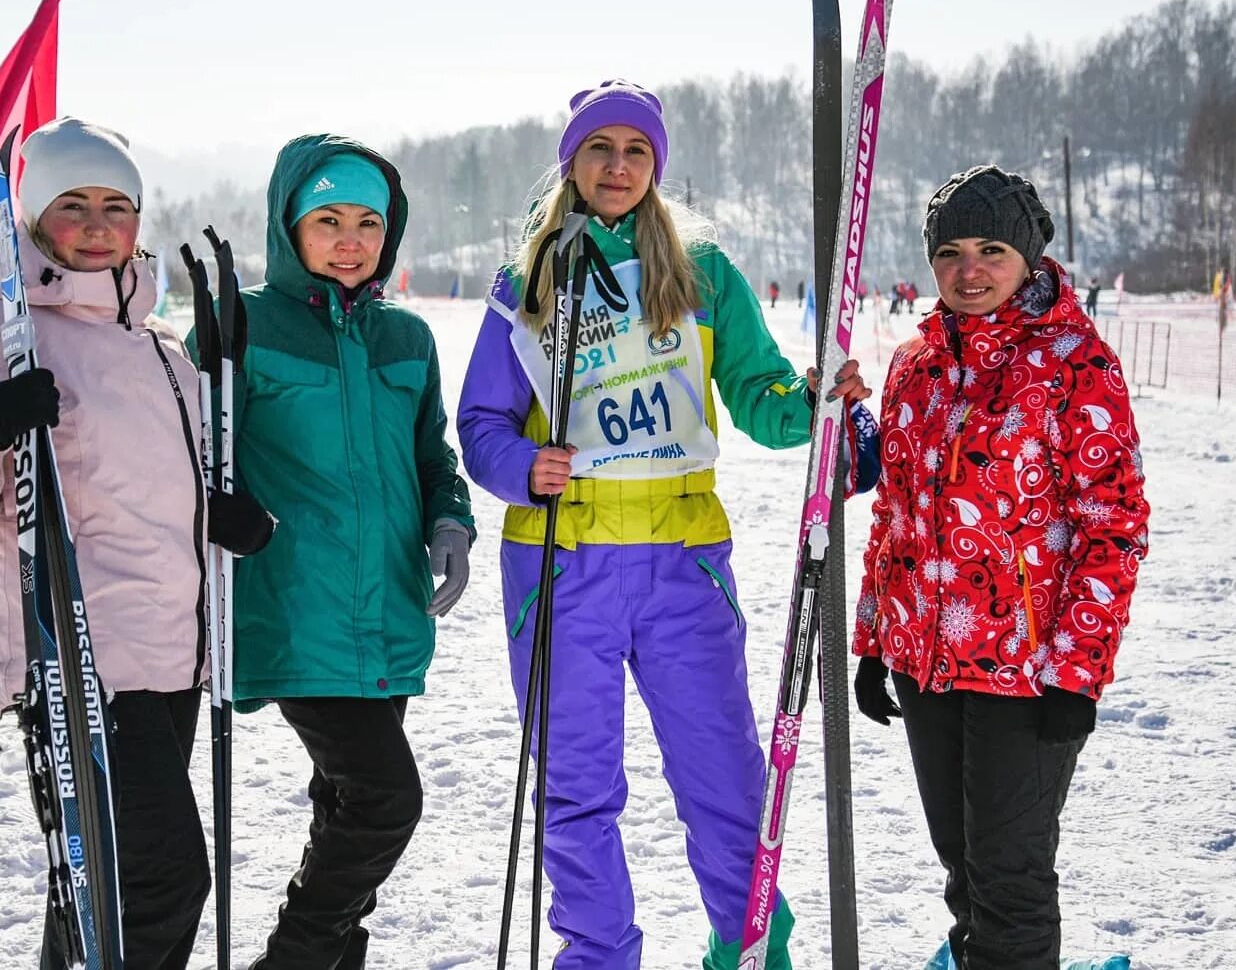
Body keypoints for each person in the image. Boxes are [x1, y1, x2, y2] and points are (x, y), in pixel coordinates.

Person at [457, 79, 875, 970]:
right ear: (572, 160)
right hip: (562, 564)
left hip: (684, 564)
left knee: (723, 774)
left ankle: (751, 942)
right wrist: (523, 468)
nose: (618, 167)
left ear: (657, 165)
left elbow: (762, 402)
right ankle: (598, 955)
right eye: (600, 149)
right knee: (577, 786)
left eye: (636, 151)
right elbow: (481, 424)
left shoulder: (704, 271)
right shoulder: (527, 279)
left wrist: (814, 400)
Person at [0, 116, 275, 969]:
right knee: (160, 882)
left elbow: (165, 482)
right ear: (28, 216)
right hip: (76, 663)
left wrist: (221, 512)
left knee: (94, 895)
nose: (98, 225)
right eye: (73, 205)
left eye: (117, 206)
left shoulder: (163, 350)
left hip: (176, 658)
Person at [852, 165, 1149, 970]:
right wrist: (876, 639)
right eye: (950, 251)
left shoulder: (1074, 362)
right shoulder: (914, 366)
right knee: (963, 870)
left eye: (990, 249)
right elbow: (896, 515)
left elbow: (1112, 527)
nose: (969, 270)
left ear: (1027, 256)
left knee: (1010, 881)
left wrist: (1076, 672)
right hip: (927, 664)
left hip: (1028, 672)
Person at [221, 134, 474, 970]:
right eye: (328, 218)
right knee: (384, 801)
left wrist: (451, 521)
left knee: (343, 805)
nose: (350, 240)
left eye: (369, 222)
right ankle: (292, 959)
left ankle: (333, 959)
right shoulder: (242, 324)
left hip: (389, 611)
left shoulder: (406, 338)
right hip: (295, 607)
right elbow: (192, 454)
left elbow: (431, 454)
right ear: (288, 225)